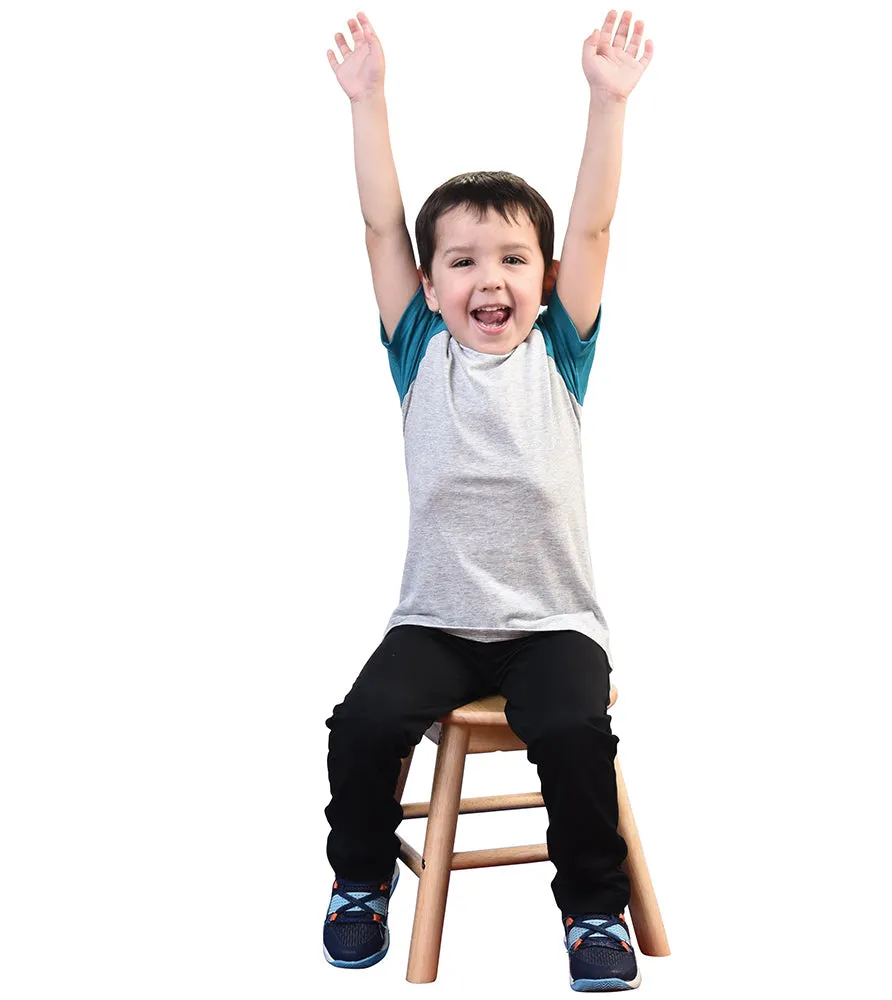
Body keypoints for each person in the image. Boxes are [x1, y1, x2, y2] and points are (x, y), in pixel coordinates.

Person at [323, 9, 653, 992]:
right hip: (437, 622)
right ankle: (357, 883)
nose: (489, 278)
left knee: (572, 732)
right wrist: (369, 102)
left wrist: (607, 101)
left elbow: (591, 220)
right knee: (361, 724)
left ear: (545, 283)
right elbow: (382, 222)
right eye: (462, 262)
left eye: (511, 259)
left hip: (553, 624)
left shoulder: (560, 354)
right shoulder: (421, 353)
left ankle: (593, 910)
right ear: (428, 286)